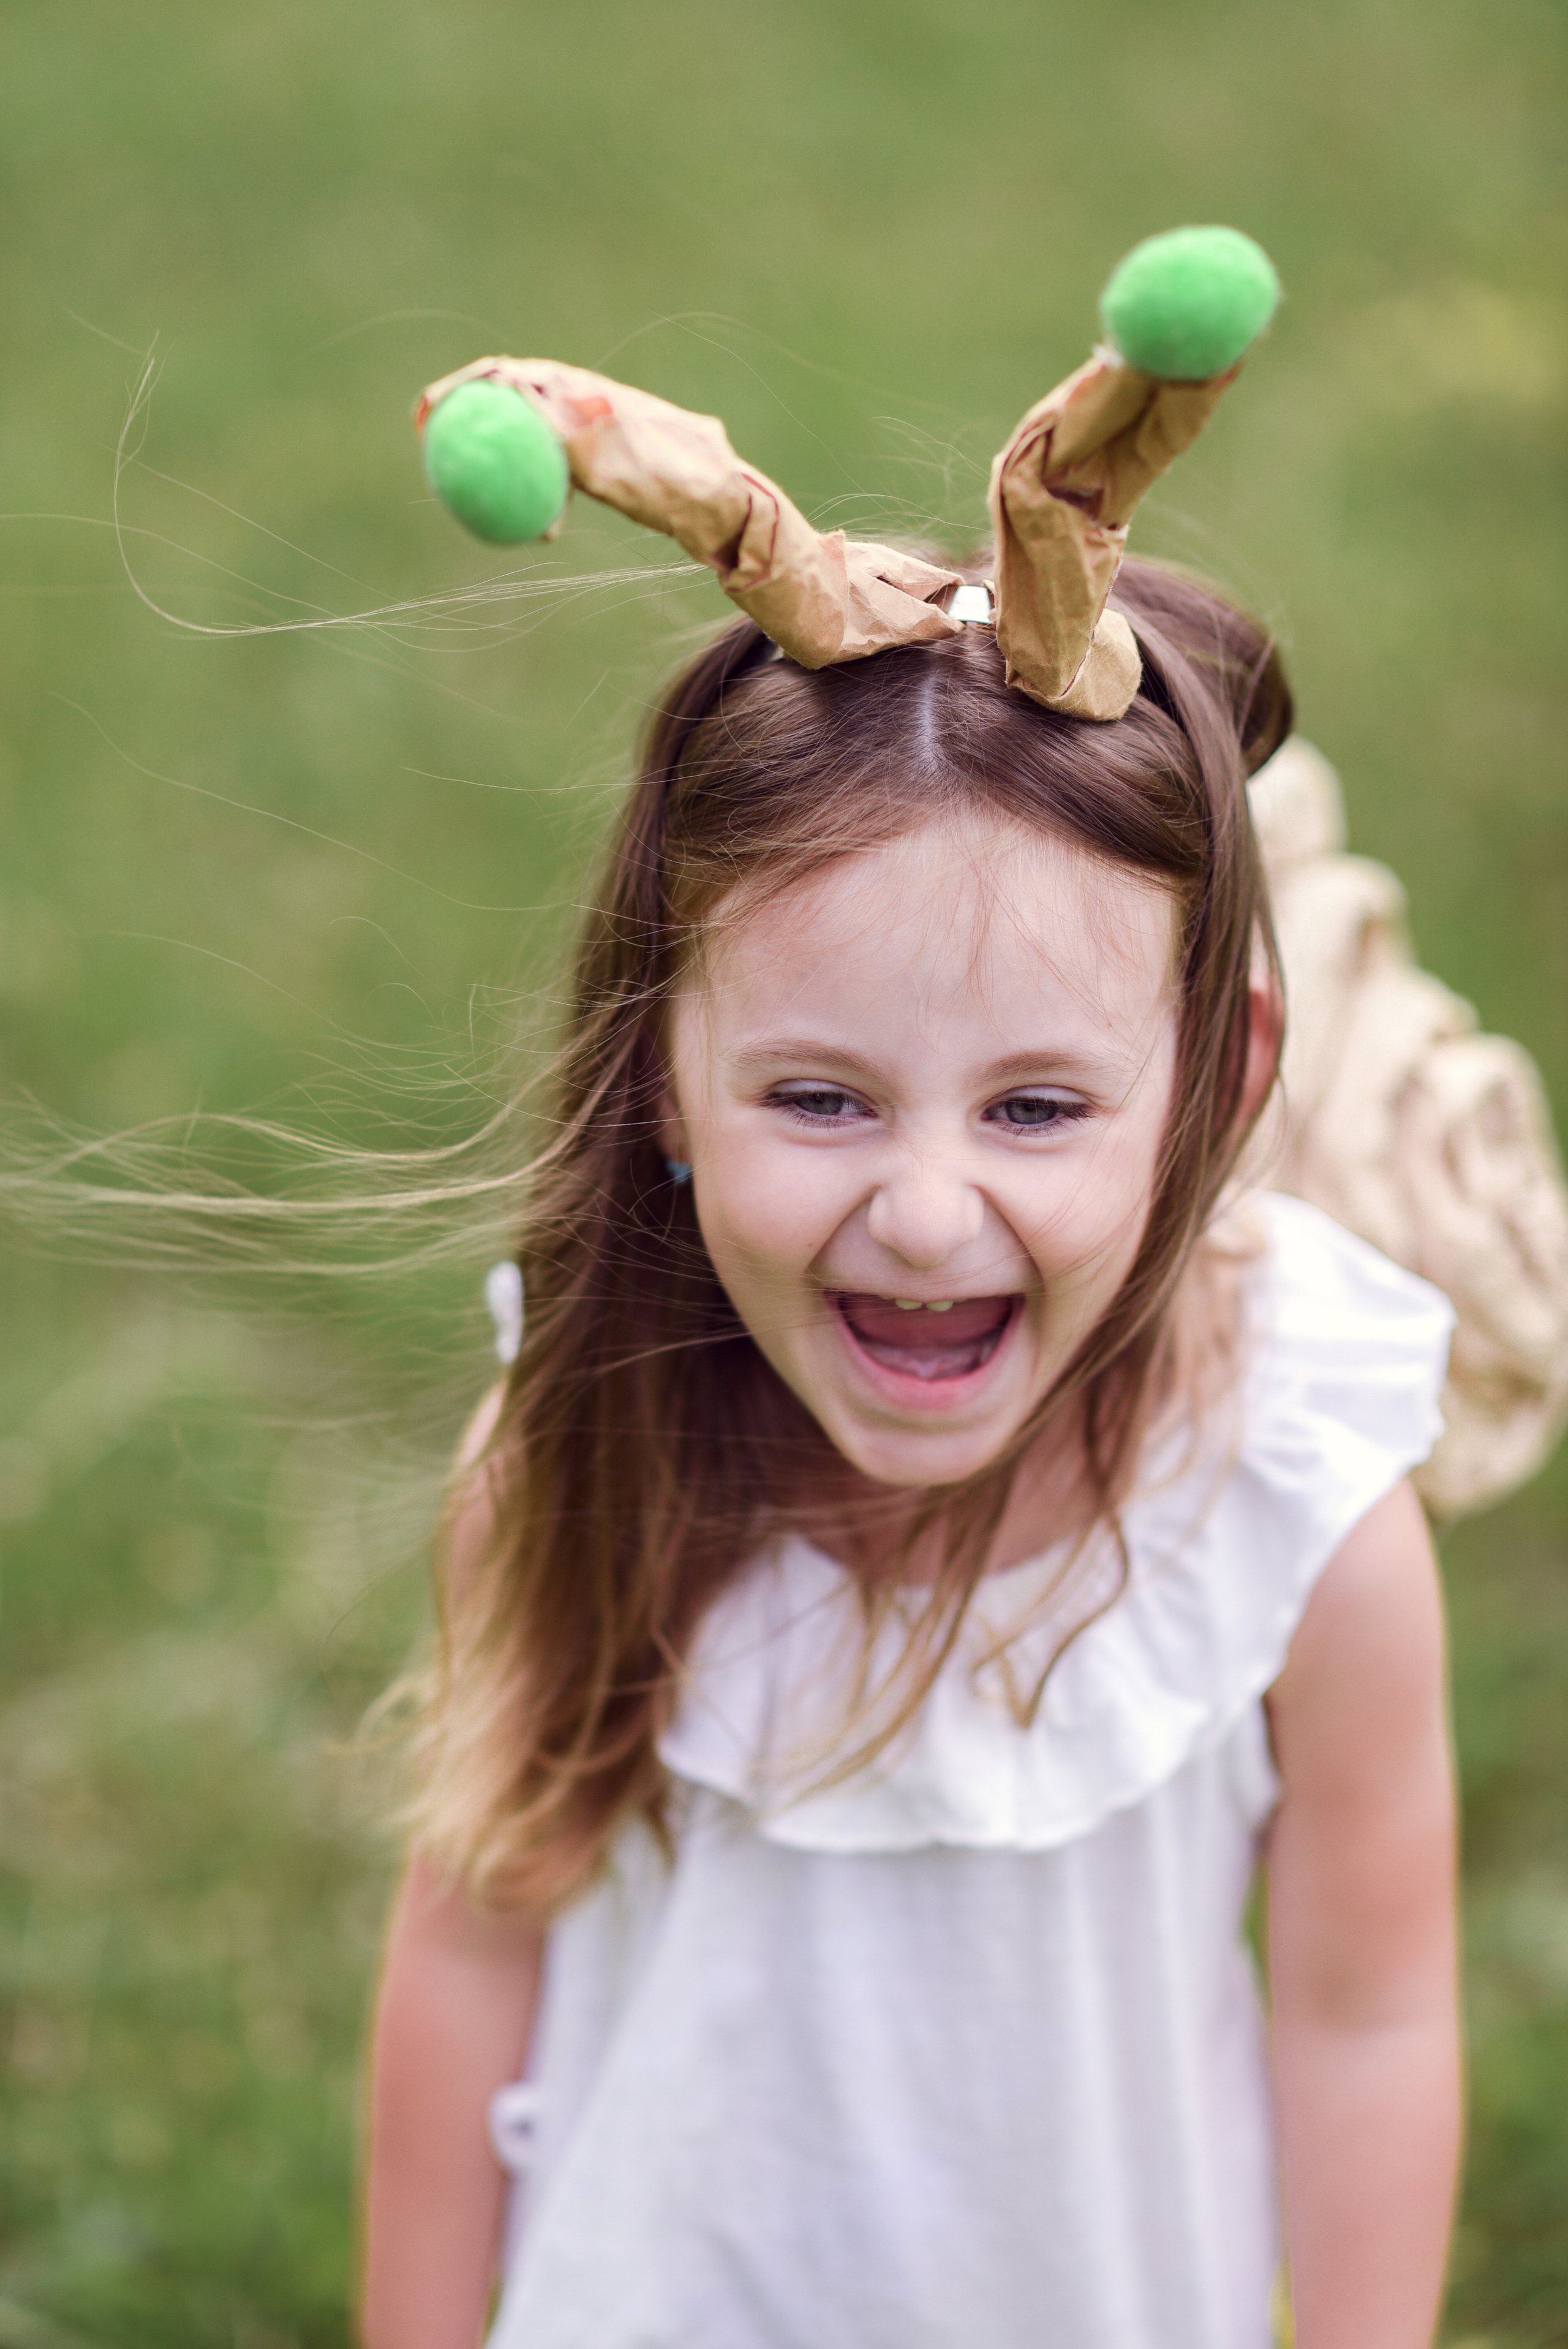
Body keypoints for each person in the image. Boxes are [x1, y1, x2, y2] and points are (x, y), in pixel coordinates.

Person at [361, 287, 1463, 2349]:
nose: (930, 1208)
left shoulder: (1297, 1517)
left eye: (1038, 1105)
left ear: (1219, 1085)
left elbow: (1370, 2010)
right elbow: (466, 1956)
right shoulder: (580, 1449)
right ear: (662, 1085)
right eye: (818, 1096)